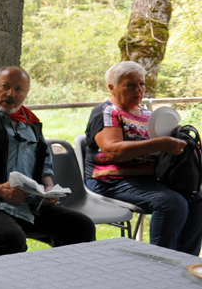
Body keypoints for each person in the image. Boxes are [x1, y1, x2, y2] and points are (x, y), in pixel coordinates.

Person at [0, 66, 95, 255]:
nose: (10, 94)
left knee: (81, 226)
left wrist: (47, 189)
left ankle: (65, 281)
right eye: (4, 86)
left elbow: (45, 168)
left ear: (26, 93)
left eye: (18, 89)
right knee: (10, 238)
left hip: (28, 205)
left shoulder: (31, 124)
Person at [84, 61, 202, 254]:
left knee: (196, 196)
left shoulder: (148, 115)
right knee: (171, 203)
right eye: (130, 85)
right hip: (111, 180)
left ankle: (184, 262)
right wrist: (162, 143)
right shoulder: (106, 112)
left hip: (149, 181)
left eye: (142, 84)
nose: (138, 90)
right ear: (112, 88)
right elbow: (113, 151)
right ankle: (160, 263)